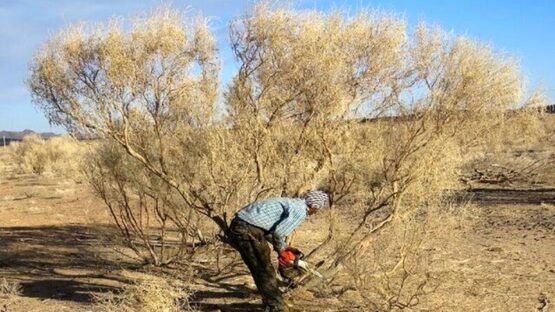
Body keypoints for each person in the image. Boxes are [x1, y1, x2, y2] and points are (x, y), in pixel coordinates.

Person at [228, 190, 329, 312]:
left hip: (241, 225)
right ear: (314, 205)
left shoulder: (292, 203)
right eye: (318, 209)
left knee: (260, 268)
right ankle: (277, 307)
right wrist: (283, 251)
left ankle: (270, 302)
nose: (316, 212)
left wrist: (285, 249)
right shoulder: (301, 210)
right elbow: (278, 233)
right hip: (247, 229)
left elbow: (270, 231)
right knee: (264, 270)